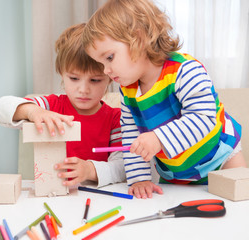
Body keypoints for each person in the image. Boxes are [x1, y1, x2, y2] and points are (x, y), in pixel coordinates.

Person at [82, 0, 247, 199]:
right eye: (101, 64)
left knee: (240, 207)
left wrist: (158, 138)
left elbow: (202, 118)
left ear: (138, 38)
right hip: (175, 173)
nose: (106, 71)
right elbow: (131, 138)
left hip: (221, 158)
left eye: (109, 58)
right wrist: (139, 179)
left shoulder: (185, 70)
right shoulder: (128, 91)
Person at [0, 23, 125, 188]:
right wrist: (33, 111)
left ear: (110, 77)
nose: (83, 90)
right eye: (74, 78)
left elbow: (123, 166)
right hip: (52, 193)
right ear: (62, 74)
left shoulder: (116, 118)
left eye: (95, 80)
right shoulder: (50, 106)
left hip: (96, 196)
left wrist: (89, 170)